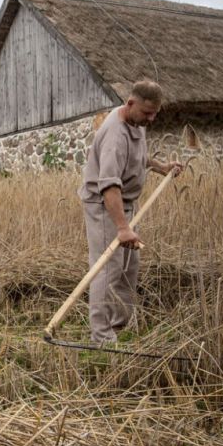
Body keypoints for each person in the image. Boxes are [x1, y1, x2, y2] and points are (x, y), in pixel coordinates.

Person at [77, 80, 184, 343]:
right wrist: (123, 227)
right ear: (131, 103)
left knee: (128, 267)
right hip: (105, 207)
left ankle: (117, 326)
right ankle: (101, 338)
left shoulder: (136, 122)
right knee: (106, 269)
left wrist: (160, 167)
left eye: (155, 112)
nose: (152, 118)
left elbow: (138, 155)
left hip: (126, 205)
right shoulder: (115, 134)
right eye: (147, 112)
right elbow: (109, 186)